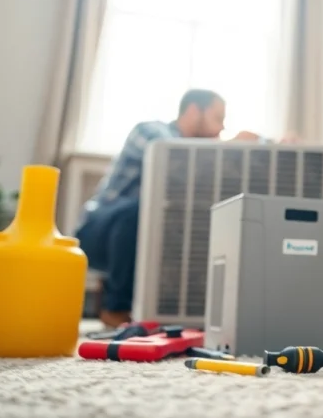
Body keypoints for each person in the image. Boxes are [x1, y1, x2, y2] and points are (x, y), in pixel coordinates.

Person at [75, 89, 290, 328]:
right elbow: (172, 154)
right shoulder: (149, 130)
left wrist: (270, 143)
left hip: (142, 234)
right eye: (218, 118)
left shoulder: (202, 157)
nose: (220, 129)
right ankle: (116, 308)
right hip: (98, 231)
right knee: (140, 211)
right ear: (194, 110)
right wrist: (232, 143)